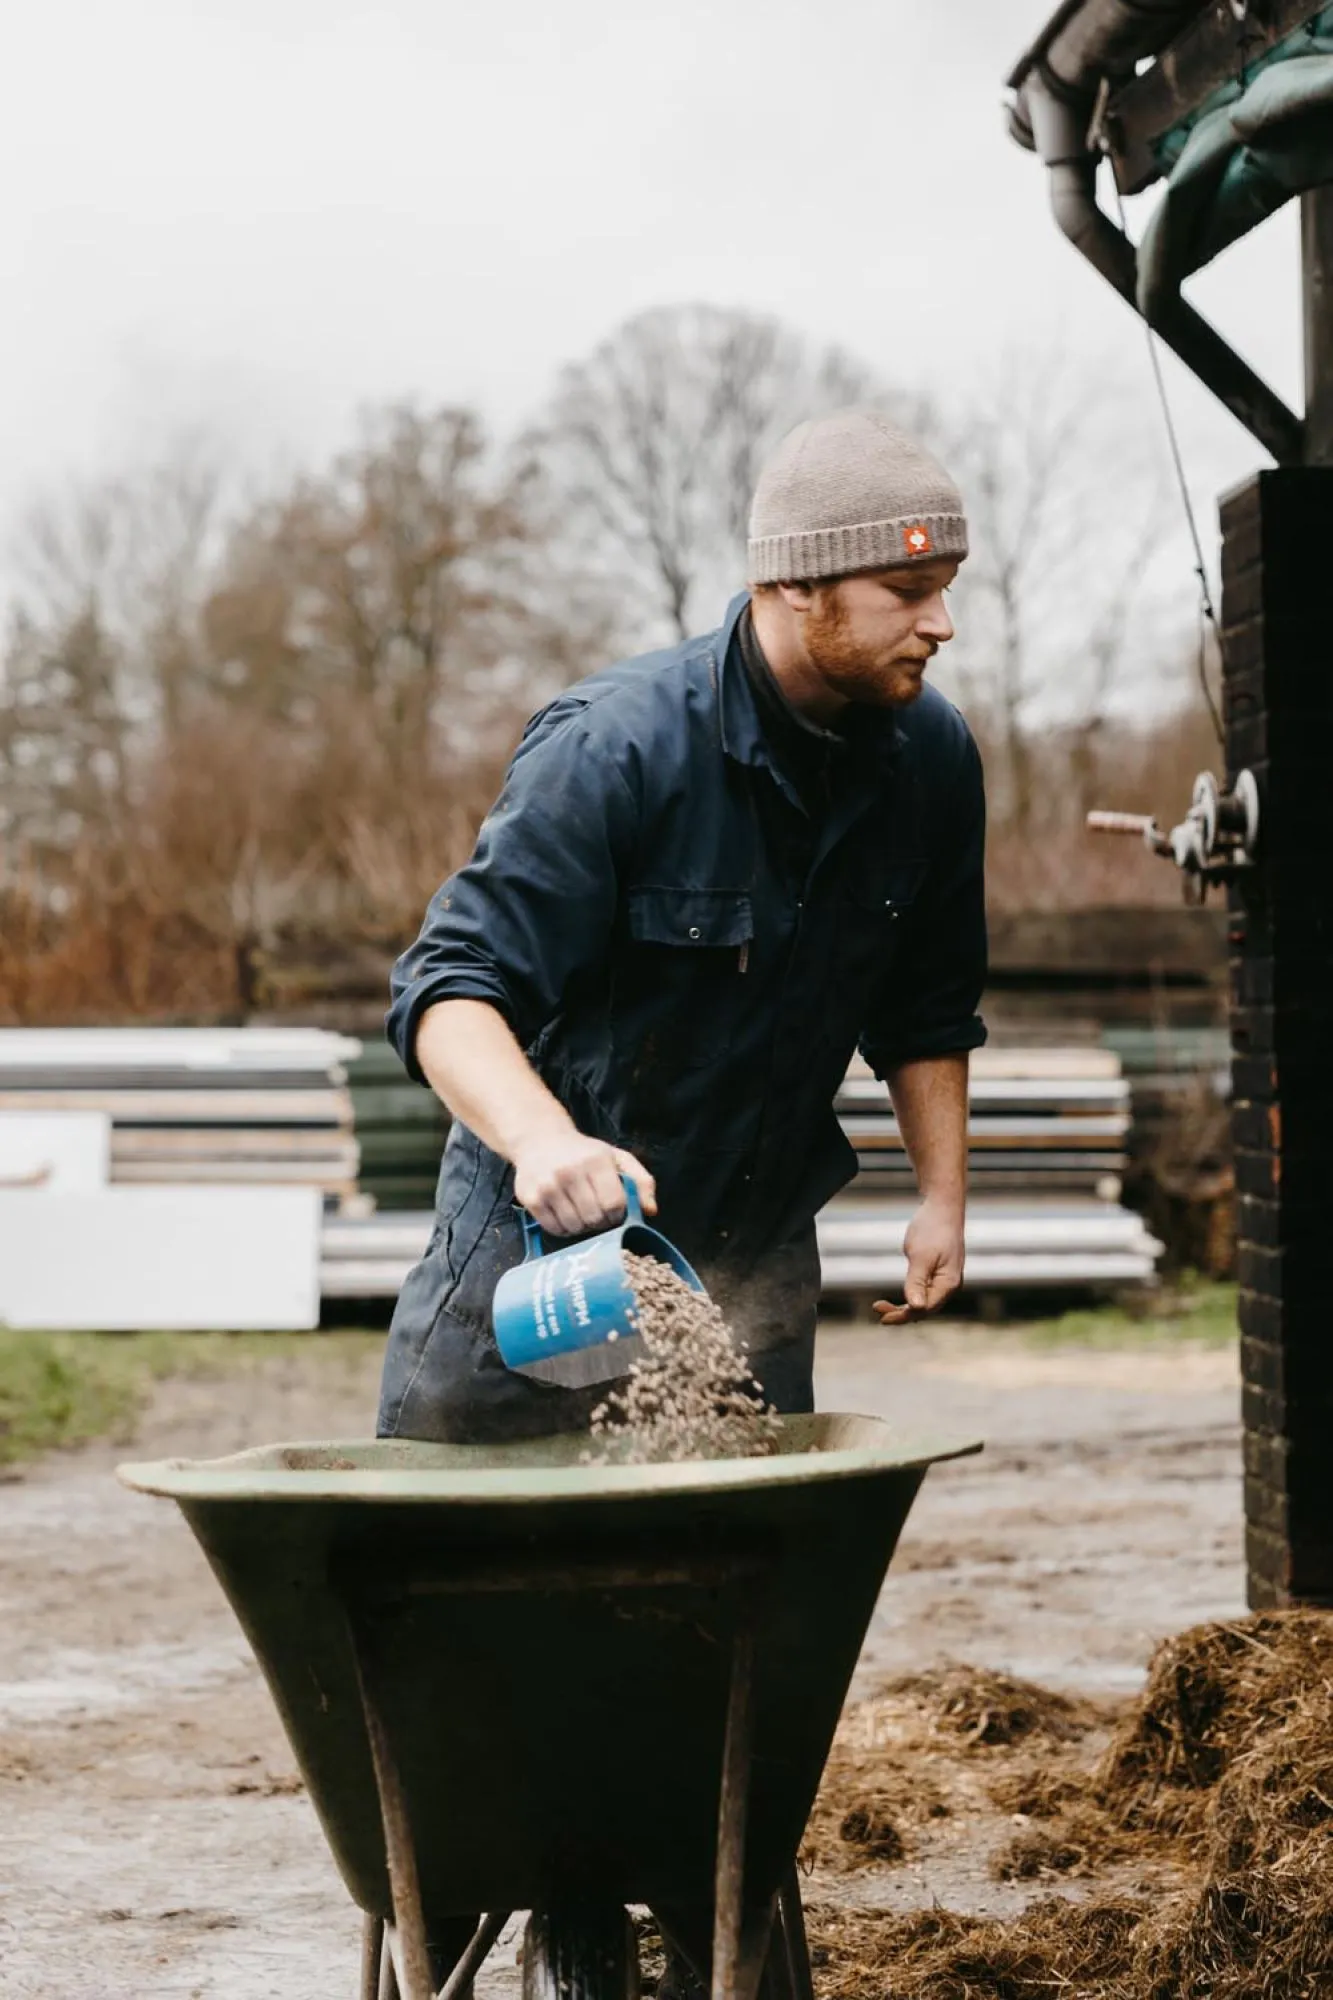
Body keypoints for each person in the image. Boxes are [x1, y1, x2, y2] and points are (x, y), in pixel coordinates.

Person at [378, 405, 986, 1448]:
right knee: (477, 1570)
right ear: (797, 583)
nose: (941, 624)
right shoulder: (615, 751)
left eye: (943, 592)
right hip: (547, 1251)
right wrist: (541, 1139)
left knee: (726, 1585)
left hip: (750, 1264)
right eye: (907, 592)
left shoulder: (929, 760)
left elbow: (925, 1007)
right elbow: (447, 988)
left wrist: (942, 1195)